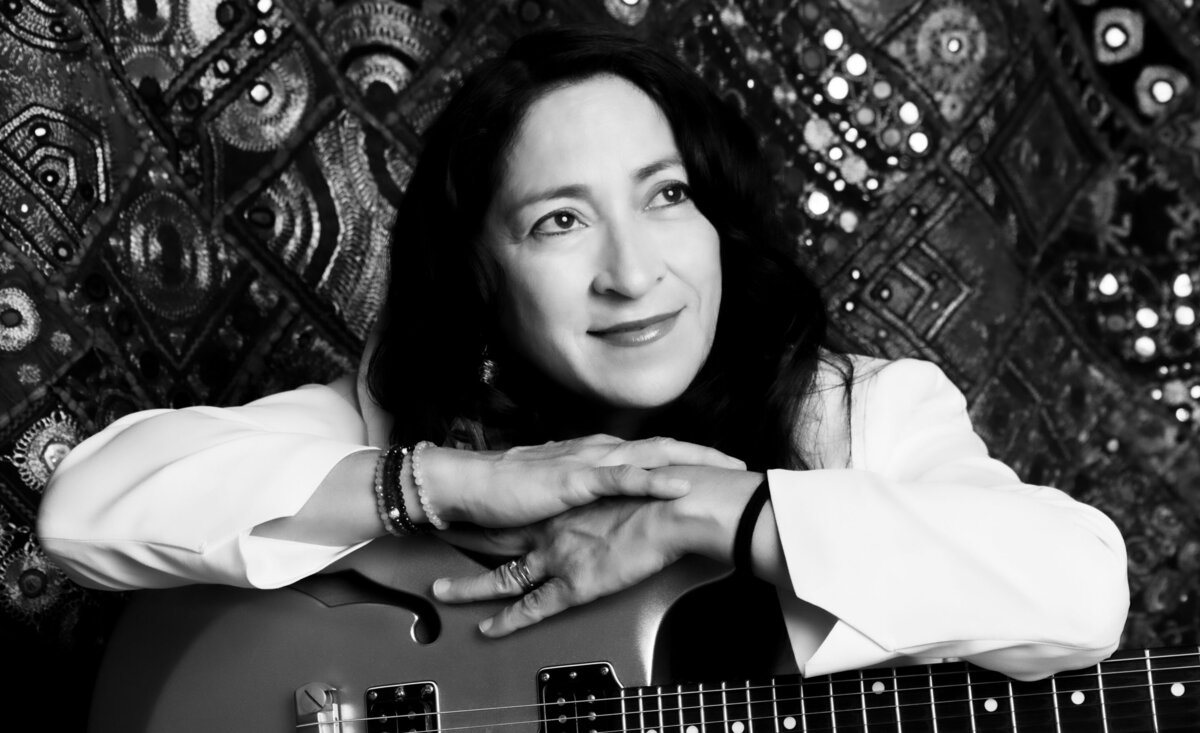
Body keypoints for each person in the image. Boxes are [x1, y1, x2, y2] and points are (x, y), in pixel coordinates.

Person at [37, 26, 1127, 682]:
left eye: (666, 196)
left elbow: (1081, 595)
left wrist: (715, 512)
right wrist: (452, 482)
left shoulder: (859, 417)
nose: (634, 271)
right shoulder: (406, 414)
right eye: (561, 220)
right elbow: (84, 509)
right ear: (482, 274)